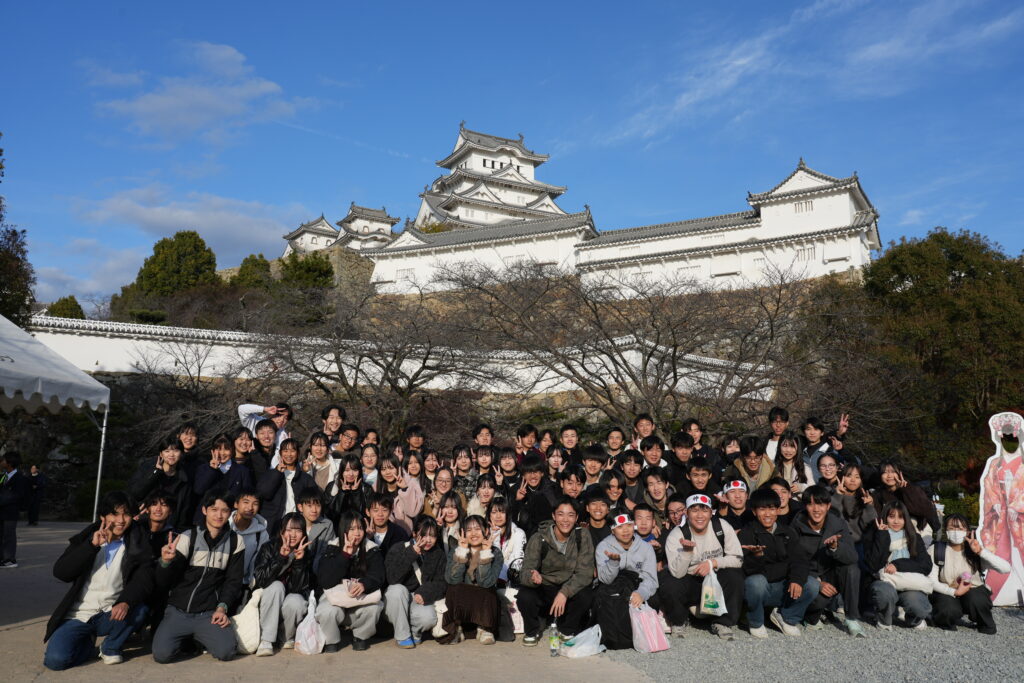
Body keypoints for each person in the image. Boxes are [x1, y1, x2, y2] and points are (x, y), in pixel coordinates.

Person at [43, 491, 153, 669]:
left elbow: (144, 579)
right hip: (79, 614)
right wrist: (91, 546)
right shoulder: (87, 538)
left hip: (111, 612)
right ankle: (87, 644)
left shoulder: (136, 541)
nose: (121, 520)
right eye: (114, 514)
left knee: (140, 610)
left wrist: (126, 601)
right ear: (103, 517)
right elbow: (61, 573)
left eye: (126, 514)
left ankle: (110, 646)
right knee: (55, 661)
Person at [152, 490, 246, 663]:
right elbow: (164, 580)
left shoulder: (235, 542)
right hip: (178, 611)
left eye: (224, 510)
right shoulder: (188, 538)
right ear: (204, 510)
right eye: (214, 509)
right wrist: (165, 562)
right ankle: (189, 639)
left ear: (230, 513)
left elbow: (233, 581)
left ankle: (197, 637)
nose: (219, 515)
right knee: (161, 655)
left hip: (209, 614)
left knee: (226, 652)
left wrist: (222, 608)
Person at [658, 493, 744, 640]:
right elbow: (677, 573)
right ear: (686, 512)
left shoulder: (721, 526)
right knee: (668, 581)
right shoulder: (676, 534)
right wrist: (687, 552)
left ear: (711, 512)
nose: (699, 516)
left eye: (704, 510)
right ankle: (679, 620)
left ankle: (723, 622)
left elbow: (738, 559)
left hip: (715, 580)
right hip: (690, 581)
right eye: (694, 510)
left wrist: (713, 563)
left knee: (734, 576)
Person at [738, 488, 817, 638]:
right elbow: (747, 570)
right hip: (760, 589)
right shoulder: (746, 533)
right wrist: (757, 557)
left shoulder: (787, 532)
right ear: (754, 512)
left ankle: (787, 617)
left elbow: (800, 559)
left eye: (772, 509)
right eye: (762, 509)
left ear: (778, 510)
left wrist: (796, 579)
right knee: (756, 582)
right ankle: (756, 621)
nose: (768, 514)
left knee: (812, 584)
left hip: (783, 587)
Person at [517, 497, 596, 644]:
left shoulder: (582, 535)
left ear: (577, 517)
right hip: (544, 586)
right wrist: (532, 577)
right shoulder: (539, 538)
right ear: (553, 516)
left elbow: (584, 573)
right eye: (560, 514)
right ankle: (532, 630)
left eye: (570, 515)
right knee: (524, 596)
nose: (565, 520)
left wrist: (564, 592)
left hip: (568, 586)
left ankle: (566, 629)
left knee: (586, 595)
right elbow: (526, 570)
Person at [791, 485, 866, 637]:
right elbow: (793, 561)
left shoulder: (837, 524)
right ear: (805, 506)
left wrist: (835, 547)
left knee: (851, 568)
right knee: (818, 601)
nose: (816, 509)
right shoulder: (796, 526)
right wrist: (817, 582)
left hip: (831, 575)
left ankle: (851, 618)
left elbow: (852, 557)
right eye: (811, 504)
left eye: (820, 504)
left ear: (828, 506)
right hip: (808, 578)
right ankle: (810, 615)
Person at [315, 510, 386, 652]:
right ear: (343, 530)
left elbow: (379, 576)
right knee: (325, 611)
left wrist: (364, 584)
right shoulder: (332, 548)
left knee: (375, 607)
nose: (357, 533)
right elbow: (325, 580)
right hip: (335, 601)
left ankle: (360, 636)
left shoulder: (371, 549)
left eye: (360, 528)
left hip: (360, 602)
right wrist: (344, 555)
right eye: (352, 529)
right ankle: (332, 640)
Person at [928, 514, 1010, 634]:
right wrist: (954, 592)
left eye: (960, 528)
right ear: (946, 530)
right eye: (952, 528)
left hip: (973, 589)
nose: (956, 532)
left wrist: (981, 552)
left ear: (967, 531)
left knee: (977, 601)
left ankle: (985, 624)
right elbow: (931, 581)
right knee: (947, 609)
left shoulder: (974, 551)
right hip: (946, 589)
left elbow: (1005, 568)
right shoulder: (936, 549)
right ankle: (944, 621)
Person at [594, 512, 659, 648]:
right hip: (613, 587)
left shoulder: (645, 547)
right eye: (620, 527)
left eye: (629, 525)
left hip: (637, 586)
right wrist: (613, 562)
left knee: (654, 599)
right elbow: (605, 579)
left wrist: (640, 593)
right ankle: (613, 635)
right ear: (612, 529)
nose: (625, 530)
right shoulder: (603, 547)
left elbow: (651, 579)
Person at [252, 512, 313, 656]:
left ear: (304, 533)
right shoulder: (268, 547)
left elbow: (299, 589)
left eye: (298, 530)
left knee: (296, 601)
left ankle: (285, 636)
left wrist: (299, 561)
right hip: (269, 602)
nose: (292, 535)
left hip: (287, 604)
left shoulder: (305, 553)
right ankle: (266, 640)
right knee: (276, 586)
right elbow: (261, 579)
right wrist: (280, 557)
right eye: (289, 530)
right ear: (281, 532)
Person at [866, 501, 933, 630]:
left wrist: (898, 564)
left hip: (909, 583)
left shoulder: (914, 537)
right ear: (885, 518)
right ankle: (884, 619)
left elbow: (925, 565)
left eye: (900, 517)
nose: (896, 521)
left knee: (919, 606)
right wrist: (881, 536)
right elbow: (873, 565)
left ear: (906, 519)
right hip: (885, 581)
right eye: (892, 517)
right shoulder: (874, 535)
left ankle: (913, 619)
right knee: (884, 593)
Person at [438, 514, 503, 644]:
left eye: (477, 529)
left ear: (486, 531)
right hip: (462, 603)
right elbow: (452, 579)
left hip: (483, 602)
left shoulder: (495, 553)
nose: (473, 533)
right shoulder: (456, 551)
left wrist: (485, 554)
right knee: (453, 588)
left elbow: (486, 582)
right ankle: (457, 628)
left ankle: (484, 628)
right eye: (469, 530)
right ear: (463, 533)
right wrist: (461, 552)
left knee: (488, 589)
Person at [384, 516, 447, 648]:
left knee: (429, 619)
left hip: (418, 596)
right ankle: (403, 636)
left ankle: (414, 632)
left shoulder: (438, 554)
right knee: (397, 590)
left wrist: (424, 593)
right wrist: (412, 553)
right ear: (414, 534)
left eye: (433, 536)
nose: (428, 540)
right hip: (398, 598)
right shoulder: (399, 548)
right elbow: (392, 578)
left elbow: (441, 582)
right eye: (423, 535)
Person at [128, 439, 192, 530]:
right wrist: (156, 472)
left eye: (176, 450)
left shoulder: (184, 478)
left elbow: (184, 508)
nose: (171, 454)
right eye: (167, 451)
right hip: (144, 522)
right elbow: (136, 493)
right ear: (161, 454)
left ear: (181, 453)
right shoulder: (148, 469)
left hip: (170, 527)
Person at [192, 434, 254, 523]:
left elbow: (246, 497)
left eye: (226, 449)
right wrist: (212, 470)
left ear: (232, 450)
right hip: (205, 519)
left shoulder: (242, 471)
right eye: (218, 449)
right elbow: (199, 490)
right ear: (212, 451)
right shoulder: (204, 468)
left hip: (232, 520)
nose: (222, 453)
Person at [872, 461, 940, 540]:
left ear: (899, 473)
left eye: (893, 472)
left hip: (920, 530)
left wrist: (905, 489)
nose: (889, 475)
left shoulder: (912, 488)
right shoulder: (879, 494)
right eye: (885, 472)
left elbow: (923, 510)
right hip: (893, 532)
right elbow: (879, 516)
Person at [258, 437, 316, 527]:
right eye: (285, 451)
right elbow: (264, 493)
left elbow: (314, 499)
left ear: (298, 453)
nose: (289, 454)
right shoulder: (270, 473)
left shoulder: (305, 478)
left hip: (297, 523)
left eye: (292, 451)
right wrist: (277, 473)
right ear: (280, 453)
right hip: (273, 524)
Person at [229, 488, 269, 591]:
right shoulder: (224, 525)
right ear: (236, 504)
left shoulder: (261, 533)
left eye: (255, 504)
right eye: (246, 502)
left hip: (241, 585)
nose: (250, 507)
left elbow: (257, 562)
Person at [374, 453, 424, 533]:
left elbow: (413, 512)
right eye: (383, 469)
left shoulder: (411, 483)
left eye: (391, 468)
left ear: (398, 468)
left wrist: (405, 489)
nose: (387, 472)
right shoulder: (376, 488)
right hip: (383, 534)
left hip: (406, 533)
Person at [832, 464, 876, 545]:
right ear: (842, 477)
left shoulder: (865, 497)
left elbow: (869, 525)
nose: (853, 480)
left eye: (857, 477)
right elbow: (834, 517)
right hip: (840, 543)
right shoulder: (833, 495)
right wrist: (838, 495)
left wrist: (869, 506)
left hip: (861, 544)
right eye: (849, 476)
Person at [511, 454, 555, 536]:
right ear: (523, 475)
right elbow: (511, 518)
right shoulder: (515, 489)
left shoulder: (552, 488)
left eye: (536, 472)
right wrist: (517, 500)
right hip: (523, 532)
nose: (533, 476)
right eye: (528, 472)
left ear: (542, 473)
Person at [0, 452, 30, 567]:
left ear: (9, 463)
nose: (1, 462)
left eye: (3, 460)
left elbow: (16, 495)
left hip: (11, 512)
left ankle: (10, 559)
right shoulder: (4, 476)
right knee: (1, 534)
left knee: (8, 535)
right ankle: (2, 558)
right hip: (2, 511)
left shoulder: (20, 478)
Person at [325, 454, 371, 526]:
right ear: (341, 471)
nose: (351, 474)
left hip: (359, 529)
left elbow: (364, 514)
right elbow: (330, 513)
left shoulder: (366, 489)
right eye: (347, 470)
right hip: (337, 529)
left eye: (355, 470)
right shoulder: (332, 487)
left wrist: (356, 492)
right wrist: (342, 492)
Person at [296, 487, 336, 563]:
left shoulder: (327, 525)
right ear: (300, 507)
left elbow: (327, 552)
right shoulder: (292, 524)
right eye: (309, 506)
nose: (314, 510)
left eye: (318, 505)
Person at [365, 491, 411, 558]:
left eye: (384, 510)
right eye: (375, 510)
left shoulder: (399, 533)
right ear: (367, 512)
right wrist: (368, 538)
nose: (380, 514)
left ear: (390, 511)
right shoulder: (361, 533)